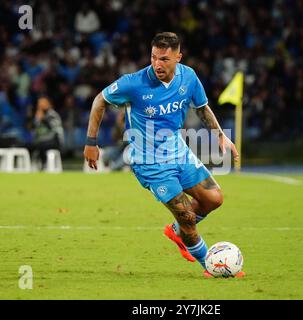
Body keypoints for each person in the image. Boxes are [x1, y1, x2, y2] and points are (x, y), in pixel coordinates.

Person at [83, 32, 243, 278]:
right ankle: (210, 266)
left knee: (214, 198)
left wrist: (220, 135)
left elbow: (202, 108)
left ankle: (177, 231)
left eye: (164, 59)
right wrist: (91, 142)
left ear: (178, 57)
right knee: (188, 215)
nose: (157, 64)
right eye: (154, 57)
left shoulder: (188, 77)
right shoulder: (134, 83)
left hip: (179, 153)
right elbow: (99, 100)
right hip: (150, 164)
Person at [30, 96, 64, 170]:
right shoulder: (38, 115)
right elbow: (33, 129)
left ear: (48, 104)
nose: (40, 105)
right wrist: (34, 119)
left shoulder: (52, 114)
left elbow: (53, 128)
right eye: (39, 103)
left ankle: (44, 165)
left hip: (55, 140)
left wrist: (43, 119)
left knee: (41, 145)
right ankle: (35, 165)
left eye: (43, 103)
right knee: (33, 145)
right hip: (42, 140)